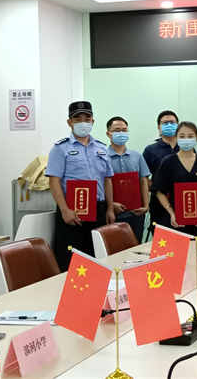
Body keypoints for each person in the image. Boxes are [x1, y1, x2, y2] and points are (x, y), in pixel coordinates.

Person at [45, 101, 115, 271]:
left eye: (87, 119)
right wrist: (64, 210)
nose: (83, 122)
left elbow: (107, 180)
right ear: (70, 122)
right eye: (78, 119)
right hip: (72, 211)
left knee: (98, 258)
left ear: (92, 121)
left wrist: (110, 208)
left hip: (98, 210)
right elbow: (54, 181)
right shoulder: (60, 148)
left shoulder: (101, 148)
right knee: (70, 259)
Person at [151, 122, 197, 237]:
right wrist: (171, 212)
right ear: (176, 138)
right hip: (175, 220)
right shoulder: (168, 162)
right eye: (182, 136)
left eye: (190, 136)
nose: (186, 139)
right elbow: (160, 191)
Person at [105, 116, 150, 243]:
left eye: (124, 130)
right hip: (114, 214)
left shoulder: (137, 156)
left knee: (136, 247)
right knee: (114, 248)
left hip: (136, 213)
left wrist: (146, 206)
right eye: (117, 130)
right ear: (108, 134)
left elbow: (143, 182)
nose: (121, 133)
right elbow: (101, 184)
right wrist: (110, 205)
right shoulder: (103, 157)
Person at [142, 110, 180, 235]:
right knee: (162, 237)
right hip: (159, 202)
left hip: (182, 199)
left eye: (172, 122)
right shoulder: (150, 150)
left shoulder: (186, 147)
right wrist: (156, 189)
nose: (169, 125)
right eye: (165, 123)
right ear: (159, 127)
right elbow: (143, 177)